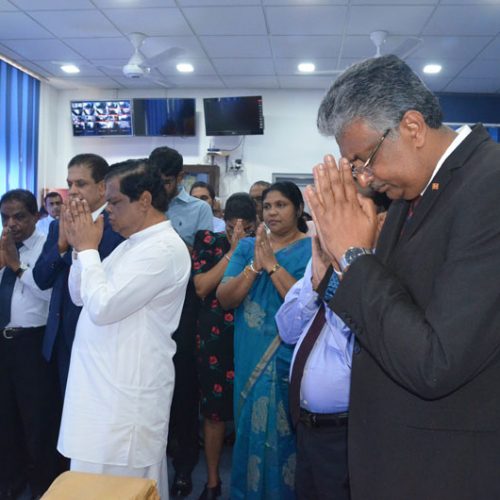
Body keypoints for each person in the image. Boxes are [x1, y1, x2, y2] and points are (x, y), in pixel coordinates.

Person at [305, 54, 500, 500]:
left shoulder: (489, 185)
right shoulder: (412, 195)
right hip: (396, 461)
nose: (364, 179)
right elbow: (397, 308)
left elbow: (436, 362)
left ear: (412, 127)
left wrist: (355, 256)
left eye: (364, 159)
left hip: (445, 471)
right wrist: (339, 270)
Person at [57, 159, 191, 500]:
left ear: (144, 200)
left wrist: (89, 250)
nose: (108, 211)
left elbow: (102, 308)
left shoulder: (163, 249)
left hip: (123, 405)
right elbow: (80, 295)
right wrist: (80, 250)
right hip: (100, 396)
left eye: (115, 202)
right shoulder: (131, 244)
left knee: (123, 491)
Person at [217, 181, 311, 500]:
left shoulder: (313, 250)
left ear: (298, 209)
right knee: (248, 432)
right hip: (250, 354)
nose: (272, 212)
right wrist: (255, 266)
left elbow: (304, 307)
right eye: (267, 206)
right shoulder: (247, 247)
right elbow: (225, 298)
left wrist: (272, 264)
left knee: (285, 437)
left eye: (281, 205)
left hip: (287, 357)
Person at [149, 146, 213, 497]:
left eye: (165, 181)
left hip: (186, 306)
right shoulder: (143, 202)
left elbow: (202, 260)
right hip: (148, 305)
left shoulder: (198, 209)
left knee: (183, 390)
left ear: (179, 178)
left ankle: (184, 467)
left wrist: (168, 252)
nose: (160, 187)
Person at [33, 154, 123, 394]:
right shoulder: (57, 225)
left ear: (102, 187)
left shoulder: (116, 225)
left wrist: (81, 246)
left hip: (98, 336)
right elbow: (41, 278)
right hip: (59, 337)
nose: (72, 191)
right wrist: (61, 246)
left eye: (80, 184)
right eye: (69, 183)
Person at [275, 235, 353, 500]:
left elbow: (353, 344)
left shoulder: (368, 271)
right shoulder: (317, 263)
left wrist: (330, 290)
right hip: (306, 425)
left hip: (343, 431)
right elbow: (287, 330)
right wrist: (313, 286)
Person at [192, 193, 257, 500]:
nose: (238, 233)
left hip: (253, 335)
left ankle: (250, 483)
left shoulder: (265, 246)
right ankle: (212, 481)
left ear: (256, 223)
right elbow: (203, 287)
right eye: (231, 227)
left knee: (252, 413)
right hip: (215, 337)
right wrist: (232, 251)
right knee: (214, 413)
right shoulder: (209, 241)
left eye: (246, 228)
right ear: (224, 222)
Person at [0, 189, 60, 499]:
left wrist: (14, 265)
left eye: (19, 217)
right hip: (3, 342)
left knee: (36, 418)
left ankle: (41, 484)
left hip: (32, 342)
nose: (11, 224)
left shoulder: (47, 246)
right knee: (5, 417)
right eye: (5, 218)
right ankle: (11, 481)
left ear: (36, 216)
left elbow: (48, 294)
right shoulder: (2, 245)